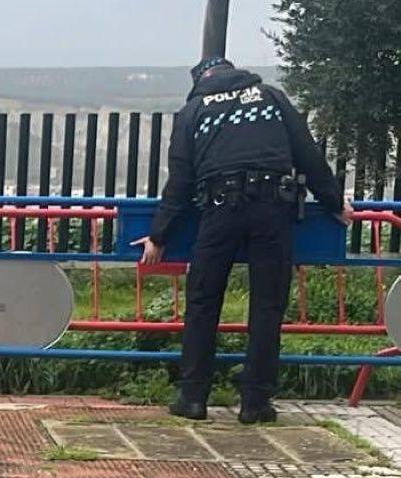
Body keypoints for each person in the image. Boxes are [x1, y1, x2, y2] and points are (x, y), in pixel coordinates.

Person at [132, 57, 353, 424]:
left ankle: (193, 398)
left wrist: (159, 235)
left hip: (220, 209)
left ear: (201, 80)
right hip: (273, 208)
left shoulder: (192, 112)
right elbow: (308, 154)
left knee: (203, 301)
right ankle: (256, 403)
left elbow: (181, 183)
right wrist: (333, 201)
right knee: (267, 305)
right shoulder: (270, 97)